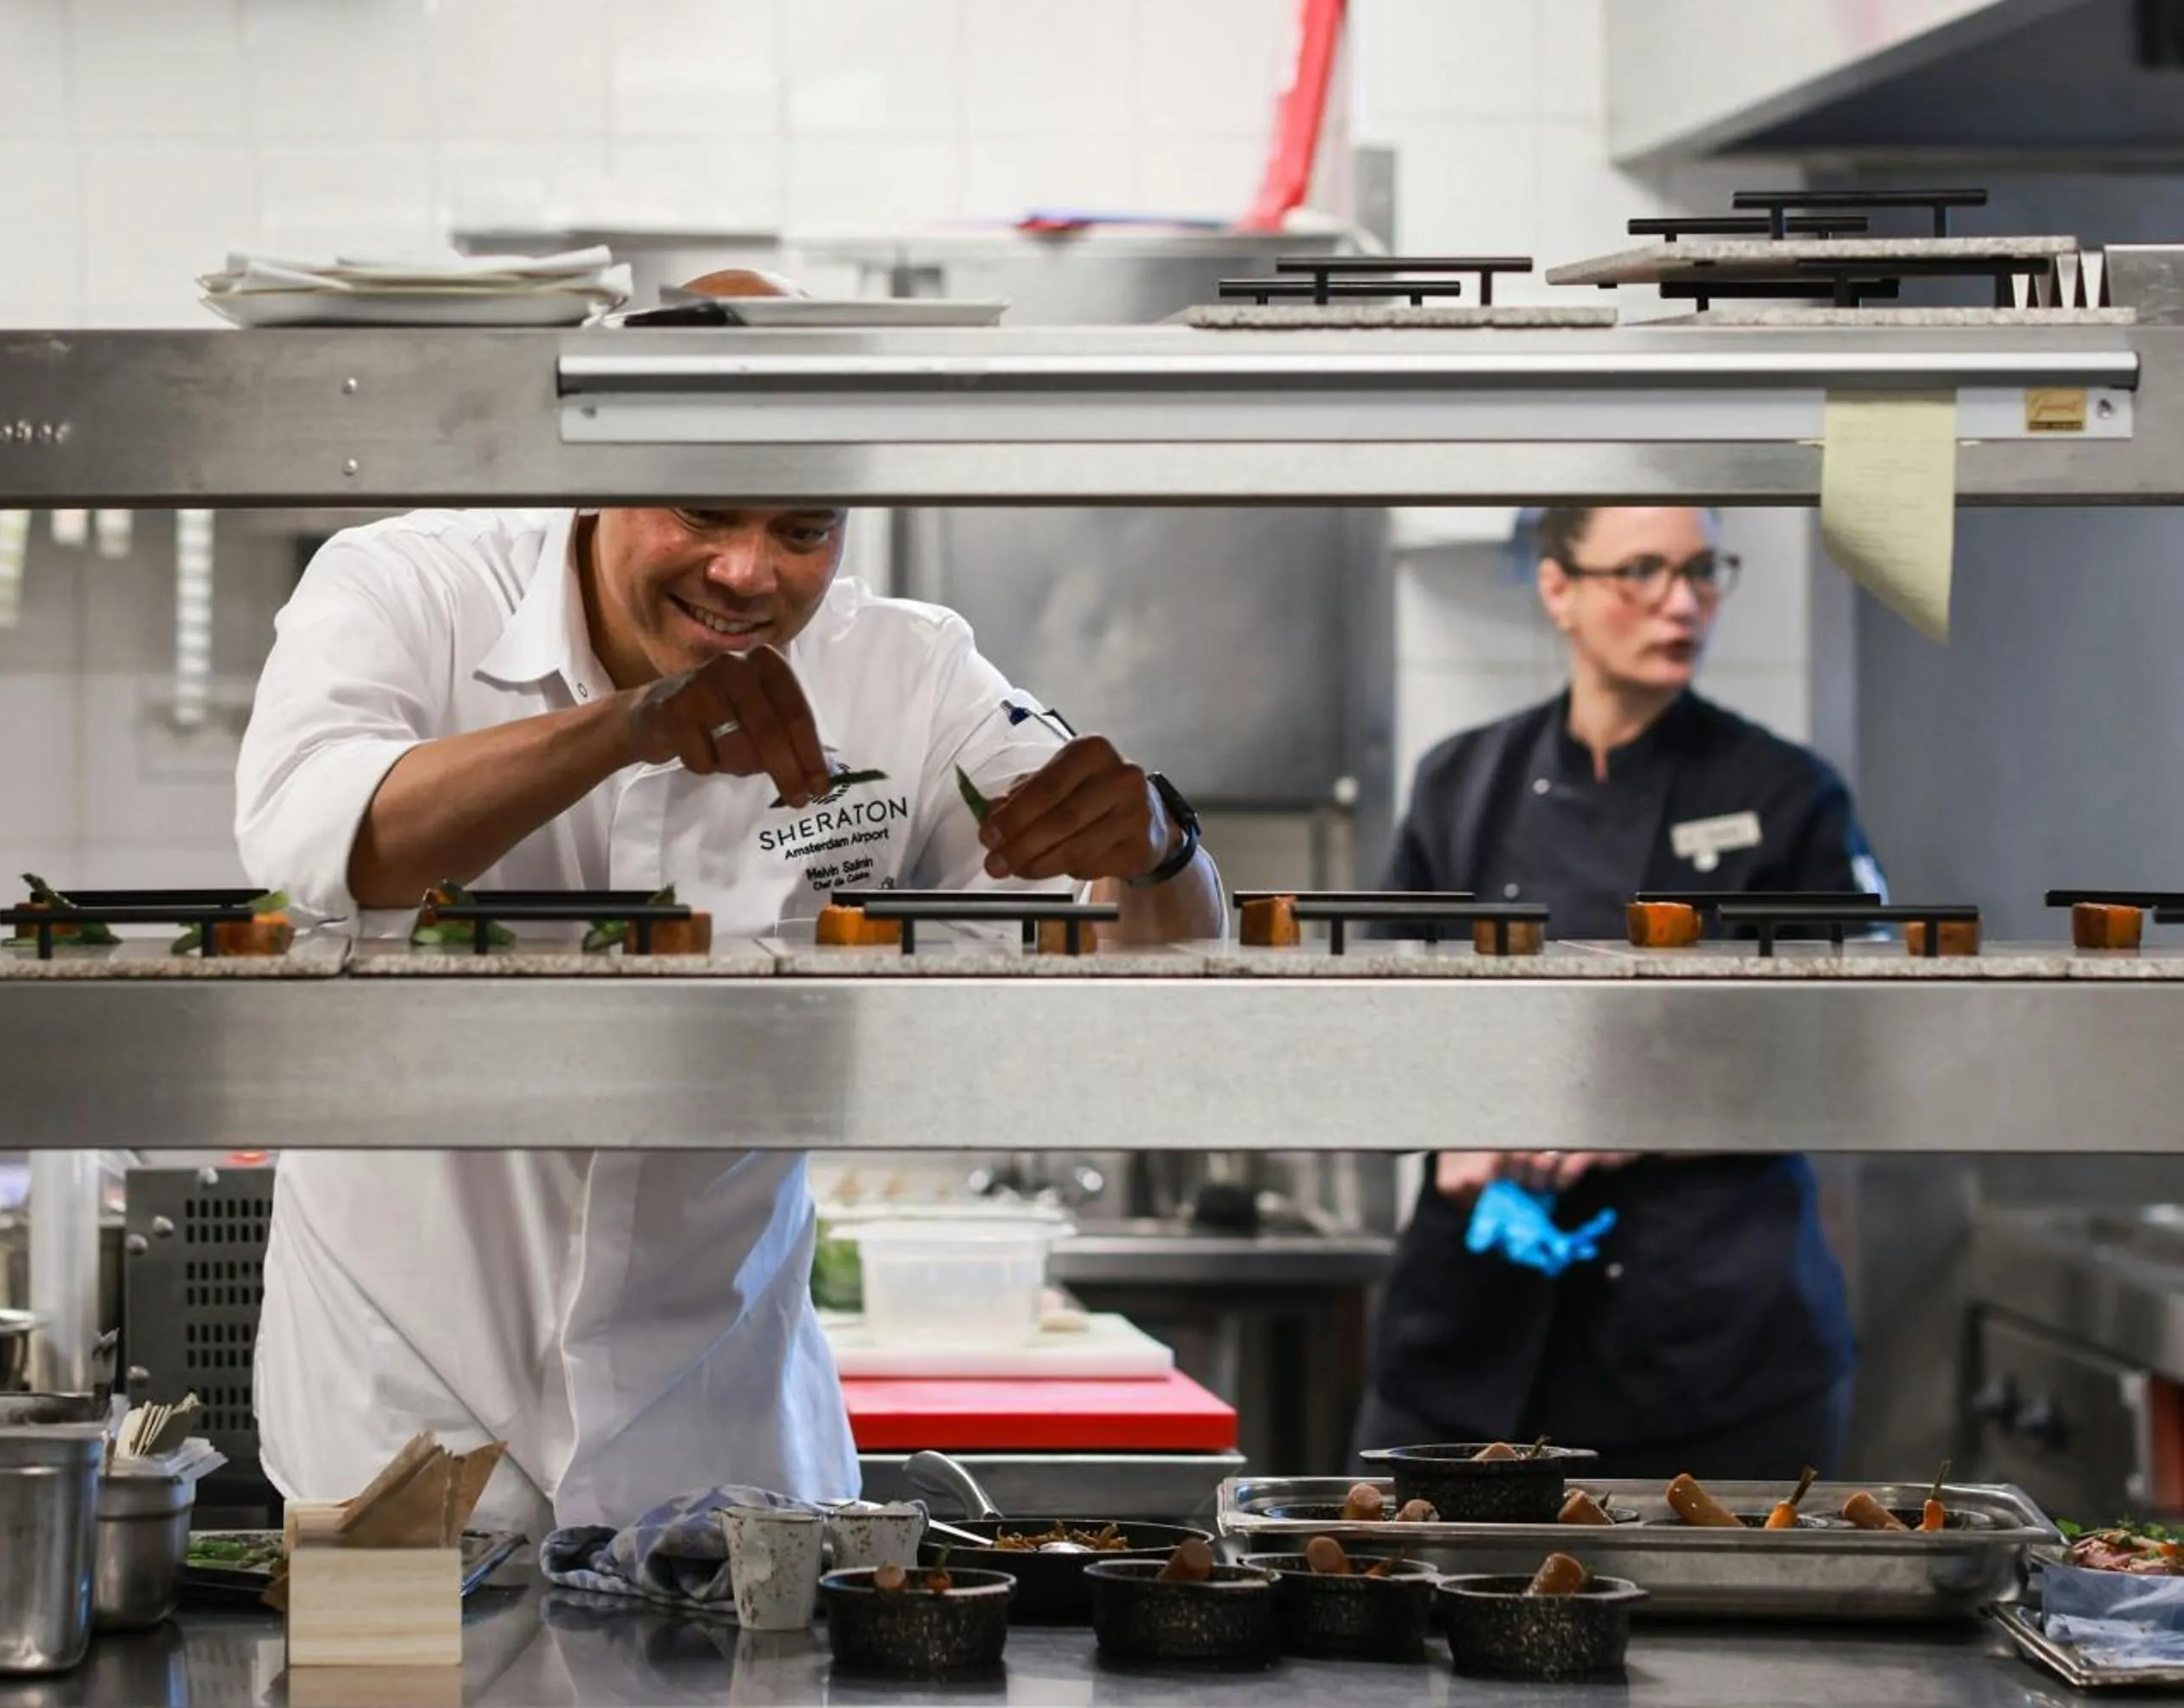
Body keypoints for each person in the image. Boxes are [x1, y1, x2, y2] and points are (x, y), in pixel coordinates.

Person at [234, 278, 1226, 1539]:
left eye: (803, 529)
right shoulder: (404, 588)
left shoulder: (908, 670)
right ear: (589, 475)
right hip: (399, 1425)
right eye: (702, 511)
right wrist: (616, 731)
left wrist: (1154, 846)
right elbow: (319, 838)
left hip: (728, 1446)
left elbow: (1148, 975)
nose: (748, 570)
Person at [1355, 506, 1872, 1479]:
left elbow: (1852, 1044)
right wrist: (1455, 1119)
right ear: (1560, 588)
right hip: (1467, 1332)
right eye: (1643, 569)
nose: (1683, 602)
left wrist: (1641, 1110)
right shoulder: (1463, 780)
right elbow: (1386, 1015)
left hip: (1707, 1349)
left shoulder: (1785, 793)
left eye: (1703, 569)